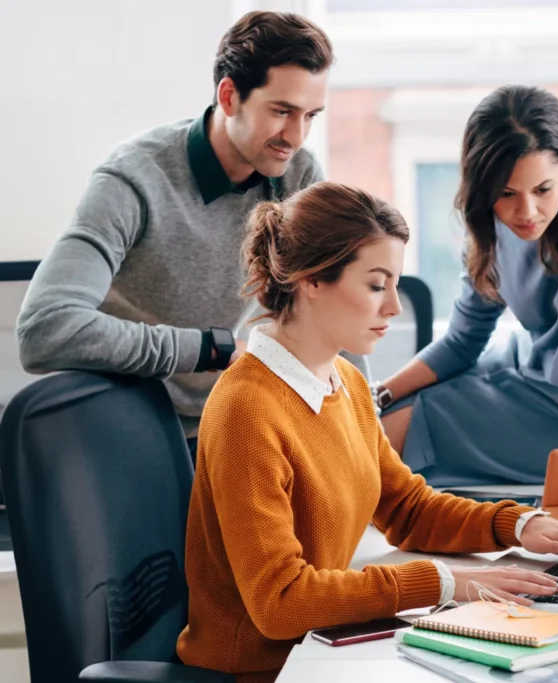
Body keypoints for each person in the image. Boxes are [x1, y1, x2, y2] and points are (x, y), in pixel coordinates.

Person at [176, 181, 558, 683]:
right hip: (264, 671)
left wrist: (516, 525)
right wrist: (444, 583)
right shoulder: (246, 410)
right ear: (312, 280)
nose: (395, 307)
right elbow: (281, 601)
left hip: (327, 647)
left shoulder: (345, 381)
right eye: (377, 285)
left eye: (395, 284)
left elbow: (407, 508)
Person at [14, 11, 368, 458]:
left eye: (311, 116)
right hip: (131, 429)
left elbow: (333, 305)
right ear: (229, 96)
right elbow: (46, 328)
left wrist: (366, 441)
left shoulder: (297, 172)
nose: (296, 136)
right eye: (282, 111)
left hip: (237, 422)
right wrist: (212, 349)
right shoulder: (134, 179)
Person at [374, 85, 558, 487]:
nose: (526, 212)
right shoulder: (490, 229)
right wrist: (378, 395)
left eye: (543, 189)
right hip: (521, 371)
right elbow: (462, 342)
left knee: (391, 436)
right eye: (506, 193)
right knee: (383, 417)